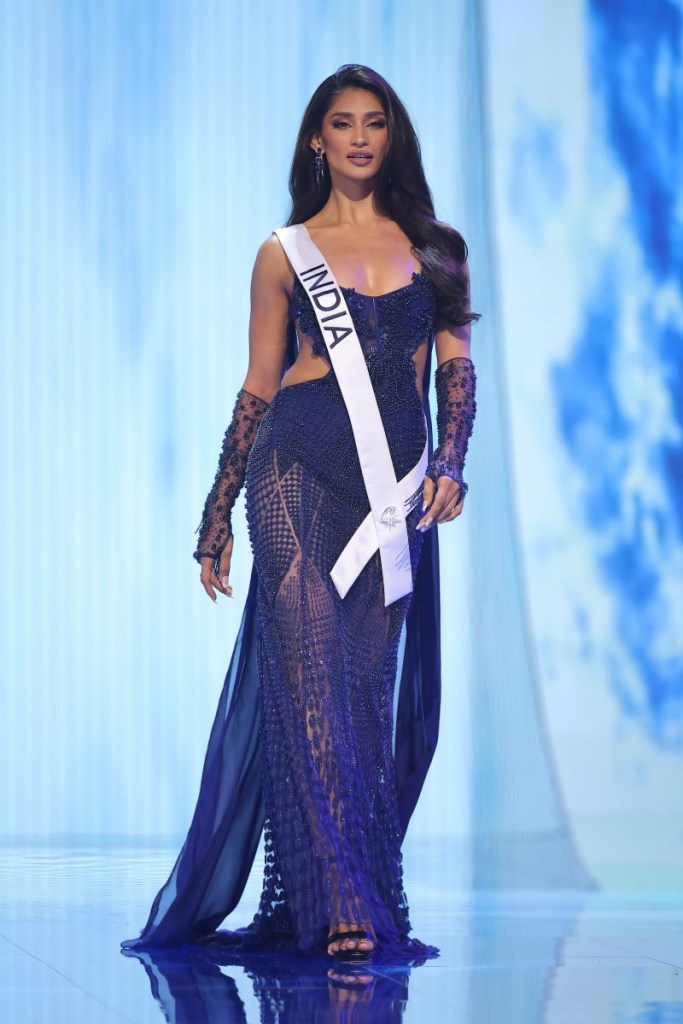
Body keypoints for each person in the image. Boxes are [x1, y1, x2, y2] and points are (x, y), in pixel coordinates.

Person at [121, 63, 478, 966]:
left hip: (388, 491)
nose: (359, 137)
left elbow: (454, 374)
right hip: (290, 471)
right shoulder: (283, 253)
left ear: (391, 138)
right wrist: (217, 515)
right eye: (341, 123)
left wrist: (450, 462)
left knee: (360, 697)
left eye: (375, 122)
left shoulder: (436, 248)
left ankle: (340, 885)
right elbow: (258, 384)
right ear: (316, 140)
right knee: (311, 682)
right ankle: (343, 906)